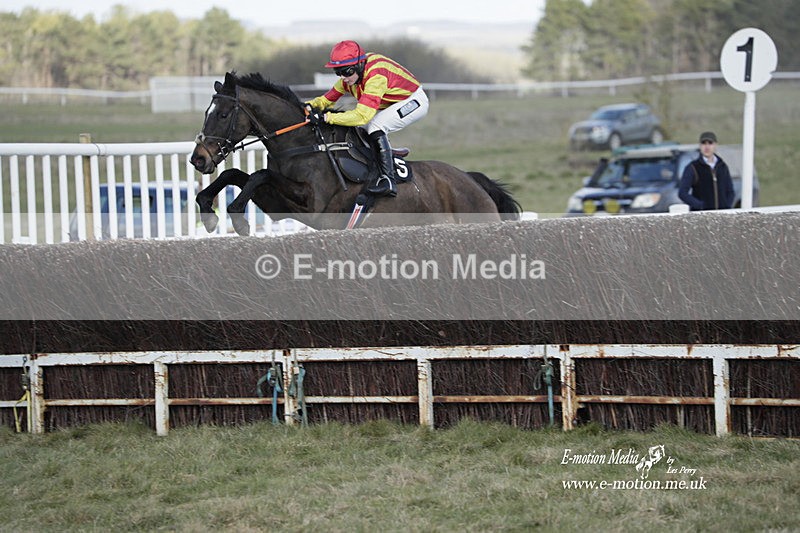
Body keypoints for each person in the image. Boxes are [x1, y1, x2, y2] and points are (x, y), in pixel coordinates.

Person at [305, 40, 429, 197]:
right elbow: (325, 100)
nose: (343, 77)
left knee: (375, 126)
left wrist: (326, 117)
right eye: (338, 72)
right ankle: (382, 157)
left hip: (413, 100)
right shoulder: (350, 77)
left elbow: (362, 116)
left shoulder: (375, 77)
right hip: (392, 102)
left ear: (359, 65)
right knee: (360, 129)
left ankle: (388, 181)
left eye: (347, 71)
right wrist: (308, 107)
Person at [678, 131, 735, 210]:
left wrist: (727, 206)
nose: (707, 147)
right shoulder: (693, 167)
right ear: (700, 146)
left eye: (710, 143)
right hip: (702, 216)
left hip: (721, 215)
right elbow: (682, 193)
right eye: (704, 143)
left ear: (715, 145)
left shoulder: (722, 166)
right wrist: (700, 205)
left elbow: (730, 191)